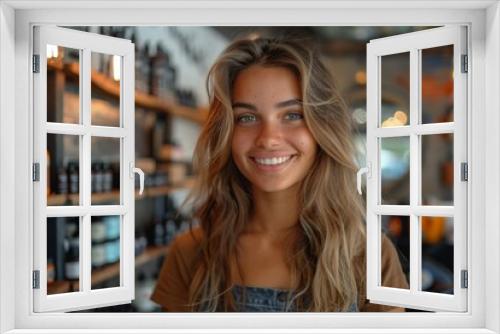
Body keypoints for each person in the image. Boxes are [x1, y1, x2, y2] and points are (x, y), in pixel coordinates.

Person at [151, 36, 408, 312]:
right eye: (246, 118)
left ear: (322, 127)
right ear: (226, 133)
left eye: (292, 115)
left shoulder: (368, 255)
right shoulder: (190, 252)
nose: (268, 139)